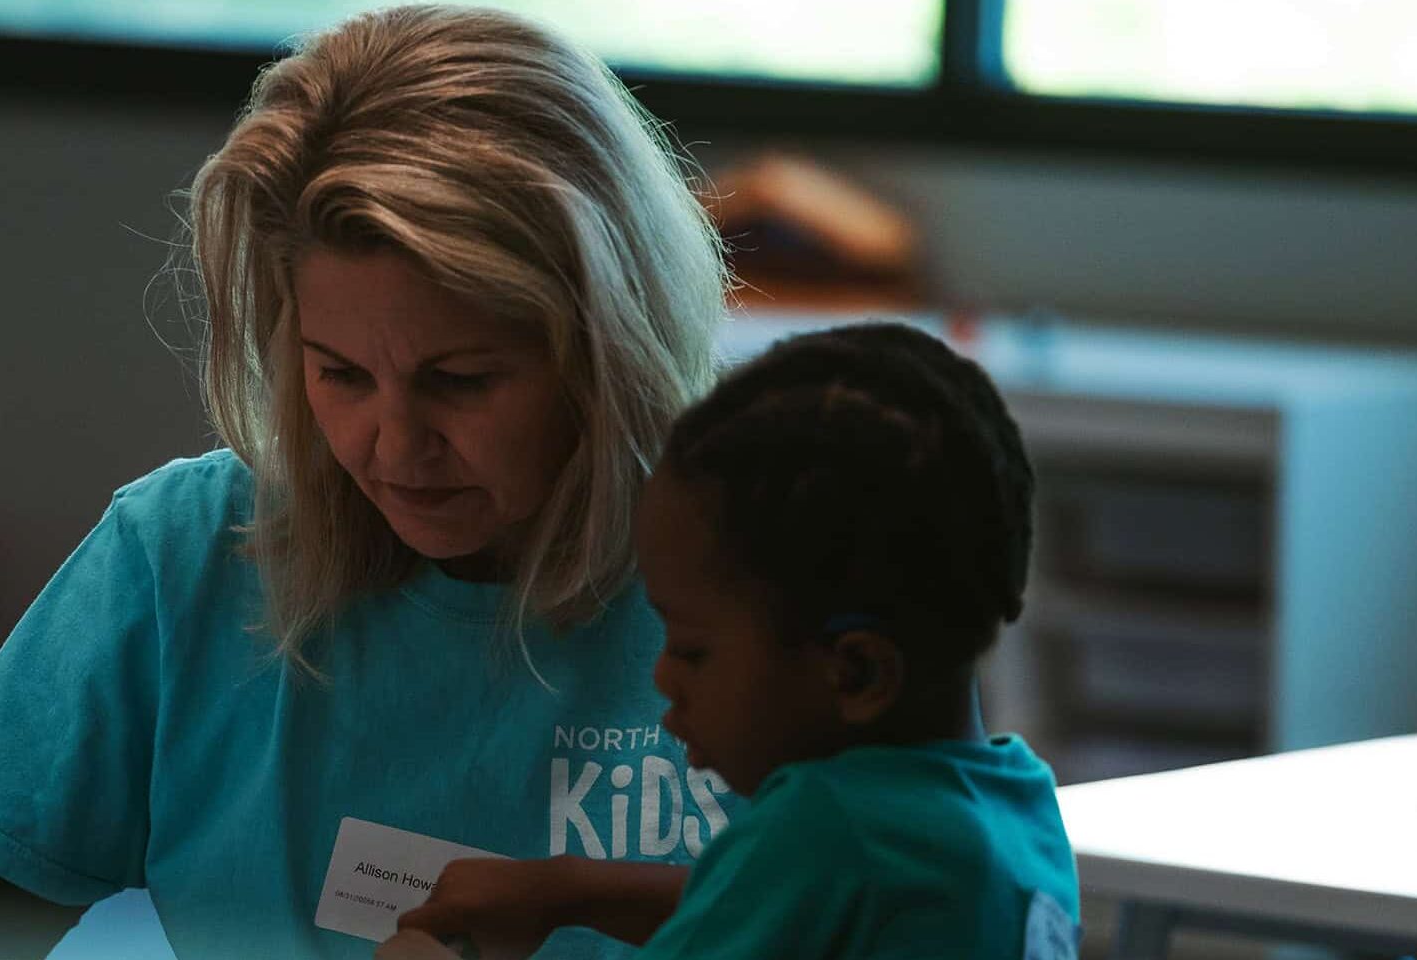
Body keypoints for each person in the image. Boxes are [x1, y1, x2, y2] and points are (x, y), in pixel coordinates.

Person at [0, 5, 739, 959]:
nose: (393, 449)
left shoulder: (769, 572)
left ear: (607, 354)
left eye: (461, 381)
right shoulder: (187, 555)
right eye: (341, 374)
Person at [385, 322, 1079, 960]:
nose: (662, 677)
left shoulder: (826, 829)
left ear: (858, 674)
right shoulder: (1012, 805)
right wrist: (569, 890)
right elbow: (771, 911)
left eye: (691, 650)